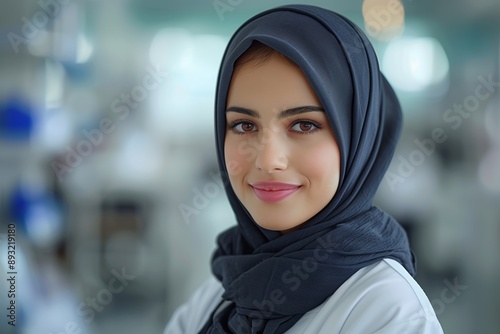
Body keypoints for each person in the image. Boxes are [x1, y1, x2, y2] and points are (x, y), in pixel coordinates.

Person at [165, 4, 443, 334]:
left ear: (357, 137)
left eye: (304, 125)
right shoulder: (222, 290)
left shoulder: (387, 311)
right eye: (243, 125)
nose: (268, 160)